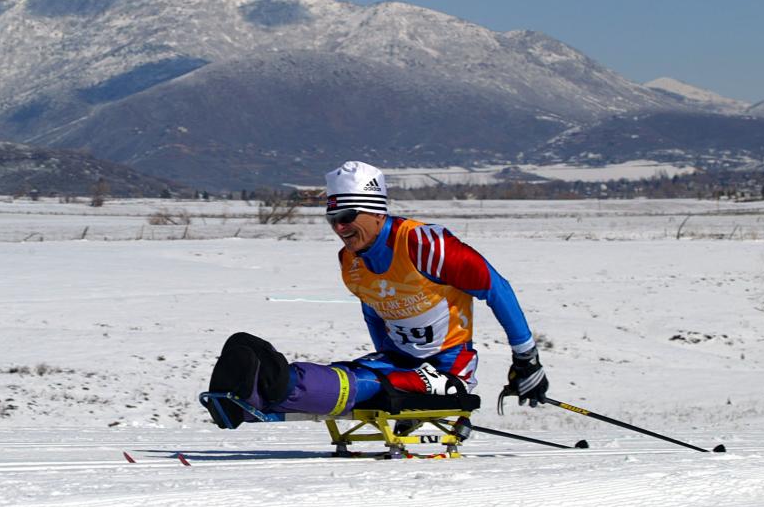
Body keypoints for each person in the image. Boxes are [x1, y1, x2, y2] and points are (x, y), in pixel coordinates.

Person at [206, 160, 548, 426]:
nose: (339, 228)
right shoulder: (350, 262)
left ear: (374, 211)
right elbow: (374, 310)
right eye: (332, 219)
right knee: (358, 375)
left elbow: (496, 287)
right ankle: (254, 397)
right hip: (399, 360)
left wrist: (526, 358)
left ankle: (277, 381)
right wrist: (389, 361)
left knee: (371, 382)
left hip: (447, 370)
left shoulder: (424, 245)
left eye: (346, 217)